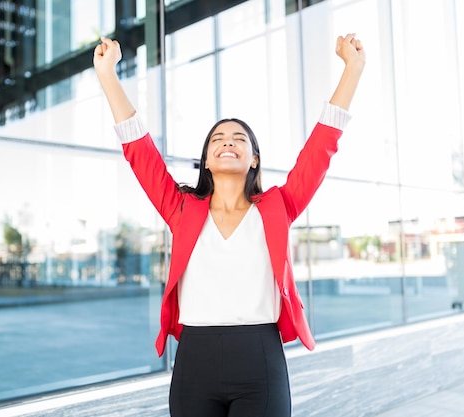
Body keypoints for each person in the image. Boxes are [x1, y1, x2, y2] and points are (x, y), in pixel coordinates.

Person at [93, 33, 365, 417]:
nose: (229, 142)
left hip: (260, 359)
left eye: (240, 139)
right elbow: (140, 153)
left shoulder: (278, 207)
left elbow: (321, 149)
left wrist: (352, 69)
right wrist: (107, 74)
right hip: (195, 361)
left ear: (254, 159)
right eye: (218, 138)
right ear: (206, 160)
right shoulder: (181, 209)